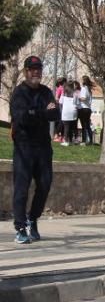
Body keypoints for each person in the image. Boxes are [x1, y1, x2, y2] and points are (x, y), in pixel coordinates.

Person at [10, 56, 60, 244]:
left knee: (45, 184)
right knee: (22, 188)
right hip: (24, 147)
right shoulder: (19, 93)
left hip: (43, 147)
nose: (36, 72)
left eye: (38, 69)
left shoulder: (46, 92)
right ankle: (20, 227)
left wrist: (36, 113)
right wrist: (42, 112)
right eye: (32, 69)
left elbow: (55, 113)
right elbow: (21, 118)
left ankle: (33, 218)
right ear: (25, 71)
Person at [58, 82, 78, 146]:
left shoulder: (64, 94)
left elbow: (60, 102)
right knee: (73, 126)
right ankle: (74, 140)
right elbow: (77, 103)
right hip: (73, 111)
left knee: (66, 127)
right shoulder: (75, 94)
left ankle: (66, 141)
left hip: (66, 111)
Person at [77, 76, 94, 145]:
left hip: (83, 108)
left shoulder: (84, 88)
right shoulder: (89, 89)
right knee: (87, 126)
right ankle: (91, 140)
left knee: (84, 126)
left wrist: (78, 97)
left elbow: (84, 98)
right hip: (88, 109)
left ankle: (84, 141)